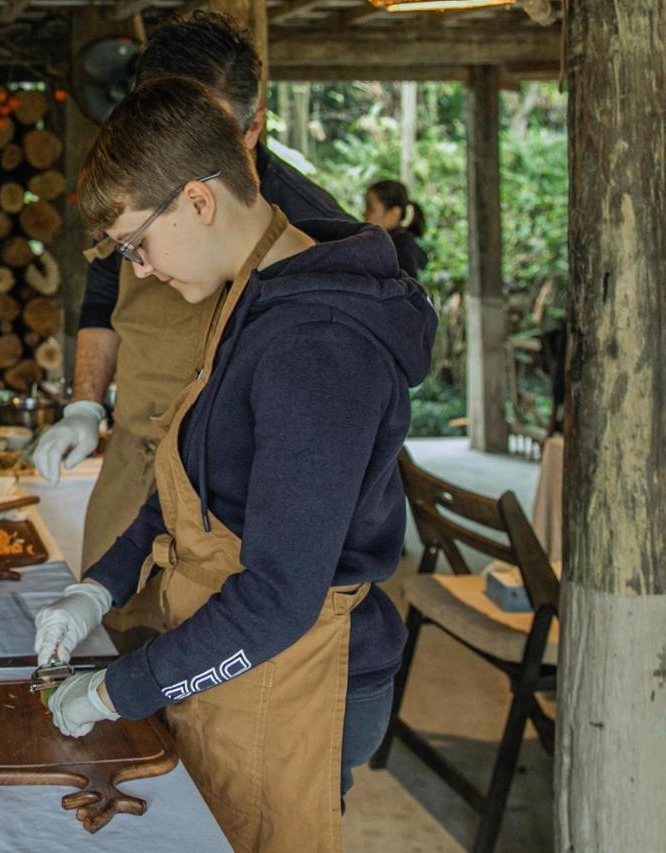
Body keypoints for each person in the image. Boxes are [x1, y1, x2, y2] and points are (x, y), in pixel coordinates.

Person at [33, 78, 436, 851]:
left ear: (196, 199)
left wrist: (121, 689)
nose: (139, 271)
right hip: (239, 660)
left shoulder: (316, 345)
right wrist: (99, 585)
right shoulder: (250, 292)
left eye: (135, 245)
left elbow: (282, 597)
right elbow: (182, 486)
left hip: (305, 681)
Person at [32, 11, 353, 647]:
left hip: (231, 493)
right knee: (116, 634)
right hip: (134, 459)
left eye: (207, 130)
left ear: (253, 125)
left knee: (205, 663)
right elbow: (101, 293)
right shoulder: (135, 191)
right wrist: (84, 405)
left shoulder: (313, 231)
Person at [364, 179, 428, 279]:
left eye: (370, 209)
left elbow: (407, 289)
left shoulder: (401, 248)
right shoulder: (390, 242)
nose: (364, 214)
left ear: (394, 214)